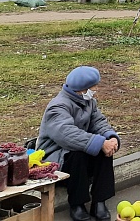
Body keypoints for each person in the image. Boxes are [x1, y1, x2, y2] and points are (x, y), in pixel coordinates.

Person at [37, 66, 119, 221]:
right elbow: (67, 135)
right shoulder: (58, 107)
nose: (96, 89)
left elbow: (99, 123)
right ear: (82, 88)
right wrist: (99, 142)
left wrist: (110, 137)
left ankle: (100, 201)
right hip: (56, 157)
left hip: (75, 152)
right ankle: (77, 205)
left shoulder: (89, 102)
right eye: (93, 86)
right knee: (78, 153)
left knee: (105, 151)